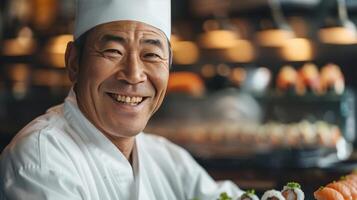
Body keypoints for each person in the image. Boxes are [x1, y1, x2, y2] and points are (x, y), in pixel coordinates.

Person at [0, 0, 244, 199]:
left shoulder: (167, 158)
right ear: (74, 62)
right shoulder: (39, 158)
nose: (134, 75)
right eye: (112, 51)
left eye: (151, 54)